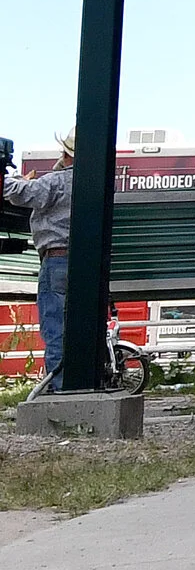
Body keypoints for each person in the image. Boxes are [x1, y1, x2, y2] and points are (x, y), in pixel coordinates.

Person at [6, 135, 79, 395]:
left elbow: (16, 193)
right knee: (77, 326)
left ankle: (58, 388)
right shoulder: (98, 183)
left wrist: (13, 179)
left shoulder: (58, 181)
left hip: (57, 259)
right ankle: (80, 384)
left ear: (68, 154)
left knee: (55, 327)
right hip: (87, 264)